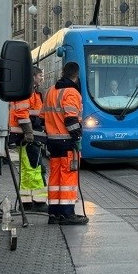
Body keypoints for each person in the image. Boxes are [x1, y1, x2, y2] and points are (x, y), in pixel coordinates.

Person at [43, 61, 89, 225]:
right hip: (67, 142)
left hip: (52, 142)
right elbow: (71, 119)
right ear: (76, 75)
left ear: (63, 72)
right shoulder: (72, 93)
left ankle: (54, 214)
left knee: (55, 177)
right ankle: (67, 213)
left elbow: (43, 118)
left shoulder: (50, 91)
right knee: (68, 177)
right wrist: (77, 138)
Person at [7, 66, 48, 212]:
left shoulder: (31, 92)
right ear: (33, 77)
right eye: (40, 76)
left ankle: (26, 202)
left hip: (25, 136)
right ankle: (38, 202)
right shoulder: (27, 92)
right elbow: (21, 113)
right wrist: (29, 133)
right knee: (35, 168)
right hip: (27, 137)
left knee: (27, 169)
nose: (42, 78)